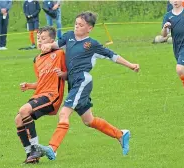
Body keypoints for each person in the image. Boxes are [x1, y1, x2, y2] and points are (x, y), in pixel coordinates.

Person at [27, 11, 140, 162]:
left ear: (89, 28)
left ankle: (52, 149)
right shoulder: (68, 37)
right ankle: (120, 134)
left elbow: (113, 56)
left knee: (64, 114)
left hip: (82, 81)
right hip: (73, 82)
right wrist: (46, 45)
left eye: (80, 25)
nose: (76, 27)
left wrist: (131, 65)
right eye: (75, 24)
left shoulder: (92, 44)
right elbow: (54, 45)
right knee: (89, 120)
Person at [14, 26, 67, 164]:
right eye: (38, 38)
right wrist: (29, 86)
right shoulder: (36, 59)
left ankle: (36, 149)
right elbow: (41, 82)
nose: (40, 41)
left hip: (52, 95)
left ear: (52, 40)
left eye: (43, 38)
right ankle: (31, 156)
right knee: (18, 119)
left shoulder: (60, 54)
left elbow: (68, 73)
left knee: (24, 110)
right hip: (40, 94)